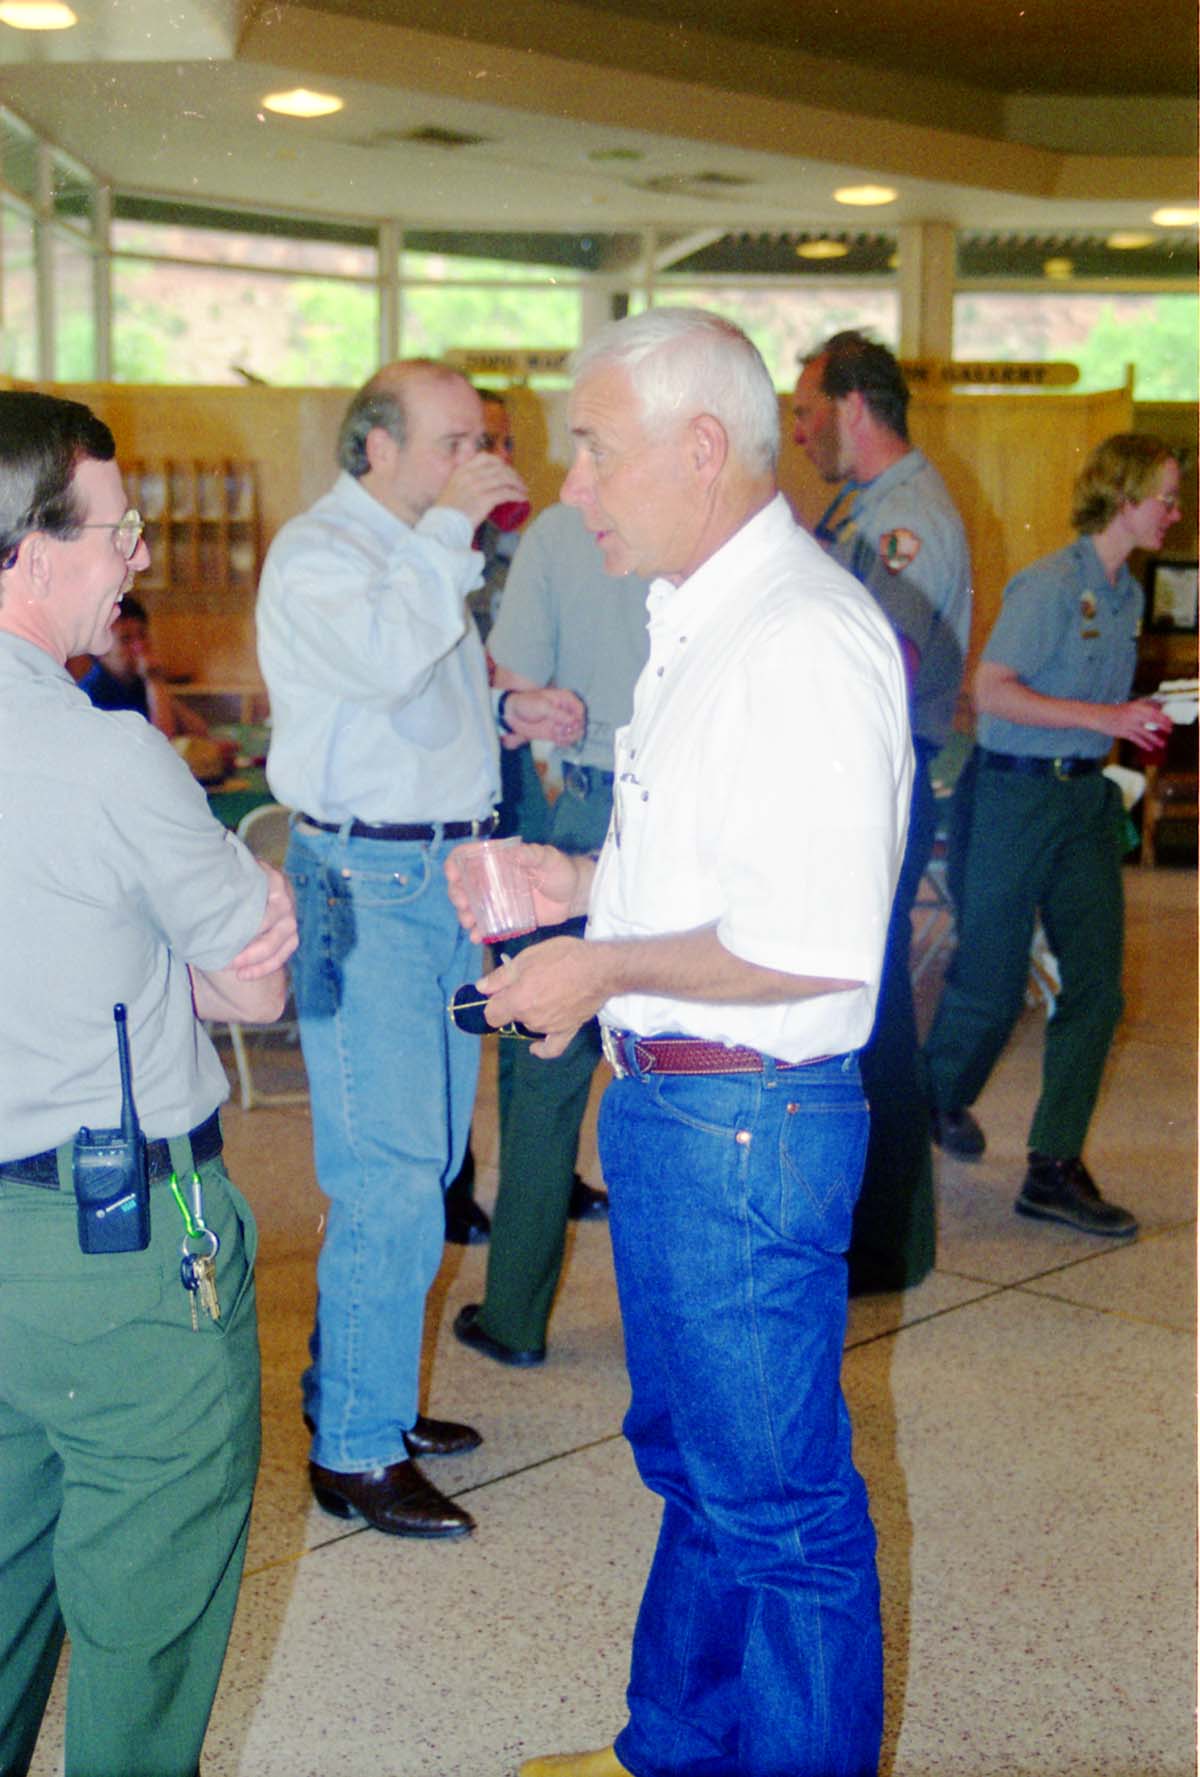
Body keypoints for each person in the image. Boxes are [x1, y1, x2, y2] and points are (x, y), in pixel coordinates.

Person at [448, 308, 912, 1777]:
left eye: (596, 446)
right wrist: (579, 889)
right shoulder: (708, 625)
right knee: (701, 1474)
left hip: (746, 1127)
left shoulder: (802, 639)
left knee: (778, 1516)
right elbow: (729, 881)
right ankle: (675, 1752)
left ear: (701, 449)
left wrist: (597, 966)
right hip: (687, 1123)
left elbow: (816, 943)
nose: (570, 482)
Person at [0, 389, 298, 1776]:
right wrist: (238, 916)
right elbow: (251, 984)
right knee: (146, 1620)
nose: (133, 555)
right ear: (24, 544)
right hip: (115, 1252)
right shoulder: (105, 752)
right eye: (115, 529)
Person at [255, 358, 583, 1539]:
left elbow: (403, 704)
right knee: (389, 1174)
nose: (476, 460)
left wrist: (507, 713)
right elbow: (388, 656)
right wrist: (452, 528)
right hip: (367, 882)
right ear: (373, 447)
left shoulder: (415, 554)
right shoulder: (322, 553)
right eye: (453, 441)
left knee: (427, 1160)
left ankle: (364, 1393)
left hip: (442, 877)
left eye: (480, 440)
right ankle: (352, 1446)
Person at [923, 434, 1180, 1238]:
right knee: (992, 985)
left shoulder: (1126, 592)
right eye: (1165, 497)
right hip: (1011, 797)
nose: (1175, 512)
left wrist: (1136, 717)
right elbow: (993, 692)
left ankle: (1053, 1165)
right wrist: (1103, 717)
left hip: (1080, 804)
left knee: (1097, 987)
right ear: (1124, 497)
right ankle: (924, 1105)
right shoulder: (1049, 586)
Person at [793, 330, 972, 1292]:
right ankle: (879, 1234)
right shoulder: (868, 507)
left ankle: (889, 1244)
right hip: (861, 770)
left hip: (881, 772)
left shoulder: (906, 517)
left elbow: (886, 662)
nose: (799, 431)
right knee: (871, 1000)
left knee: (879, 1010)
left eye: (807, 410)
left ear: (853, 406)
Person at [453, 502, 649, 1365]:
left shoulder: (563, 532)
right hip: (682, 810)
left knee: (541, 1067)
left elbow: (509, 676)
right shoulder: (723, 514)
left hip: (576, 805)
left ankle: (516, 1318)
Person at [78, 591, 216, 740]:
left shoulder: (136, 680)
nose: (140, 646)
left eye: (142, 635)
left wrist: (157, 684)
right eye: (126, 640)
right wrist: (154, 680)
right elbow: (161, 746)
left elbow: (201, 732)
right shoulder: (93, 696)